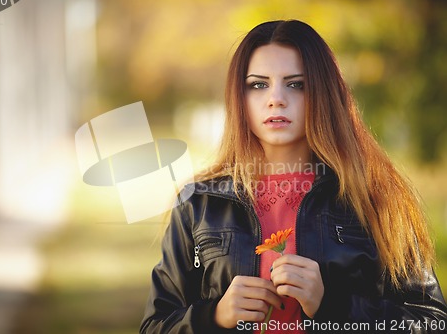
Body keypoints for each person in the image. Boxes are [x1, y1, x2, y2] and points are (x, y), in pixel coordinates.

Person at [140, 20, 447, 333]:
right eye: (258, 84)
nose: (276, 98)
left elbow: (431, 323)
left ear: (323, 93)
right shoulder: (199, 203)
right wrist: (214, 317)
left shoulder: (376, 197)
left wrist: (331, 306)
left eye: (296, 84)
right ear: (239, 97)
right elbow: (155, 325)